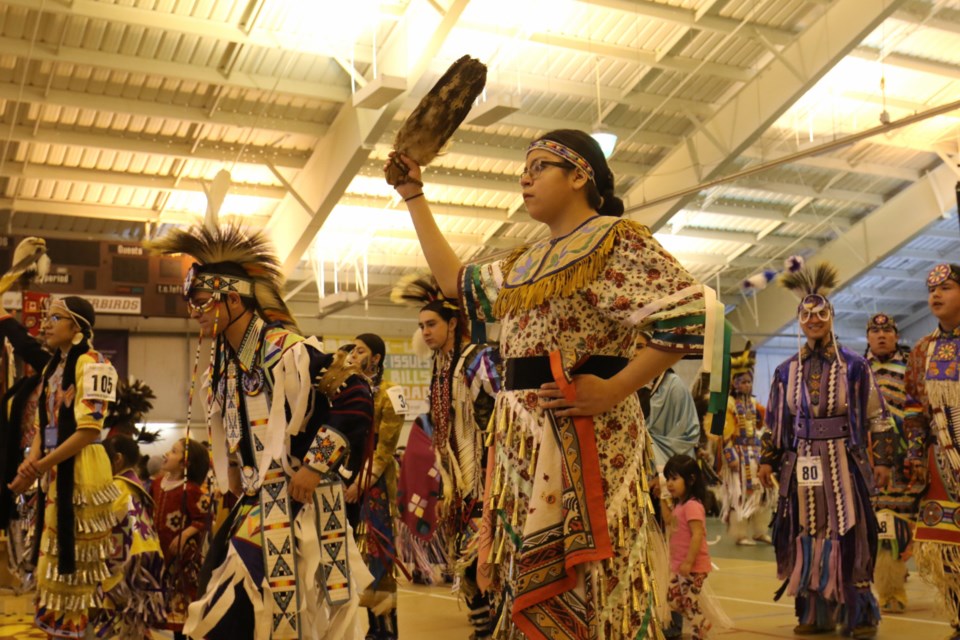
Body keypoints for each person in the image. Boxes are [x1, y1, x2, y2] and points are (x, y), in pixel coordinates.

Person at [386, 129, 726, 639]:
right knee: (521, 577)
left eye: (540, 166)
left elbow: (688, 316)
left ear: (579, 175)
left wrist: (616, 388)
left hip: (590, 435)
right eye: (525, 168)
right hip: (521, 442)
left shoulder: (616, 239)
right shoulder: (526, 260)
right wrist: (414, 195)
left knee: (598, 584)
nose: (525, 178)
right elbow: (458, 283)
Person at [147, 224, 374, 640]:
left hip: (293, 500)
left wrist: (314, 465)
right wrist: (236, 466)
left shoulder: (284, 349)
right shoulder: (226, 362)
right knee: (227, 593)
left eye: (200, 303)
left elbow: (355, 392)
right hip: (256, 500)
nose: (193, 311)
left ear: (233, 299)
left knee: (230, 605)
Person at [758, 263, 894, 639]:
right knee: (806, 528)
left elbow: (878, 416)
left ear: (831, 316)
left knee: (850, 529)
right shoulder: (786, 371)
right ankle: (815, 611)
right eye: (806, 314)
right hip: (802, 461)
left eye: (820, 313)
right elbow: (775, 422)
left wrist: (881, 460)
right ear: (799, 320)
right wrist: (767, 460)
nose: (813, 319)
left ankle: (857, 612)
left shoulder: (855, 366)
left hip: (843, 460)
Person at [392, 275, 501, 638]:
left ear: (454, 322)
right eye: (421, 325)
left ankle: (493, 628)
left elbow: (501, 412)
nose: (424, 332)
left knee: (482, 557)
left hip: (486, 478)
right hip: (458, 484)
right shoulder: (440, 366)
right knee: (464, 558)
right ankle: (484, 626)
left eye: (431, 324)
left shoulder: (477, 359)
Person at [7, 295, 121, 638]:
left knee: (77, 565)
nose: (45, 324)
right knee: (51, 564)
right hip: (54, 468)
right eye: (46, 317)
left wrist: (40, 465)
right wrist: (31, 463)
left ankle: (77, 631)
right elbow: (46, 425)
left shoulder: (95, 363)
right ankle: (56, 631)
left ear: (77, 327)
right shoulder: (52, 368)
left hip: (81, 468)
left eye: (55, 318)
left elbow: (88, 430)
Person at [905, 263, 960, 640]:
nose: (936, 295)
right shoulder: (923, 349)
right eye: (932, 289)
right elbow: (913, 409)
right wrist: (913, 458)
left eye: (947, 287)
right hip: (942, 461)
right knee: (949, 550)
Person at [863, 313, 925, 614]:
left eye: (887, 331)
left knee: (915, 524)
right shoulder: (858, 370)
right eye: (875, 332)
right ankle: (890, 591)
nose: (881, 336)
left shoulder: (911, 366)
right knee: (884, 527)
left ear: (896, 336)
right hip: (874, 464)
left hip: (910, 461)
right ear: (868, 338)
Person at [345, 333, 405, 640]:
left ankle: (383, 630)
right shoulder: (348, 390)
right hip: (346, 483)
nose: (353, 355)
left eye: (360, 350)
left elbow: (385, 450)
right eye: (352, 349)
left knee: (376, 557)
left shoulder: (391, 393)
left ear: (377, 358)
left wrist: (361, 482)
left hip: (375, 486)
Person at [97, 433, 165, 639]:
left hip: (127, 565)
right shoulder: (134, 485)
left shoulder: (117, 487)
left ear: (117, 459)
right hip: (146, 559)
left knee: (121, 623)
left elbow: (100, 523)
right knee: (134, 623)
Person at [716, 343, 774, 546]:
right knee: (739, 494)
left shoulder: (755, 406)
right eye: (742, 381)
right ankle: (740, 533)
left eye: (749, 381)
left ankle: (759, 530)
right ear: (733, 383)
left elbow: (763, 426)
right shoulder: (730, 405)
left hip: (755, 455)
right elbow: (724, 435)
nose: (747, 385)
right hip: (739, 456)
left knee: (761, 492)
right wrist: (730, 456)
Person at [152, 437, 211, 640]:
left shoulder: (192, 490)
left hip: (182, 562)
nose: (167, 454)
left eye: (174, 451)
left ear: (186, 463)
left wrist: (184, 535)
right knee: (165, 610)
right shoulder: (158, 483)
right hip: (159, 557)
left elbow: (204, 518)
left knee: (183, 613)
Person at [662, 454, 714, 640]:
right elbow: (669, 521)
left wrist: (689, 561)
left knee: (690, 602)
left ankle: (698, 631)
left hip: (694, 567)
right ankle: (699, 622)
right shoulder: (680, 505)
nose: (669, 483)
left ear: (690, 479)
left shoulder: (692, 505)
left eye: (674, 479)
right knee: (673, 600)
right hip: (680, 566)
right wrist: (661, 500)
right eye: (668, 478)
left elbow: (697, 534)